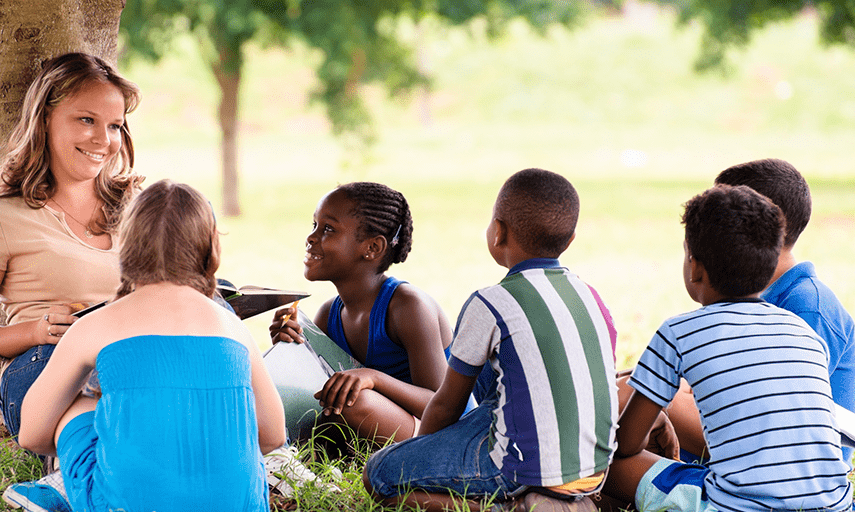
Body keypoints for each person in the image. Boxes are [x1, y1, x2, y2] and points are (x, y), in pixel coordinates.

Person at [3, 179, 286, 512]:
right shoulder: (233, 329)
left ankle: (65, 488)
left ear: (126, 249)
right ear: (211, 252)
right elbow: (272, 435)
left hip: (121, 505)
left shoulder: (96, 325)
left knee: (77, 405)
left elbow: (32, 434)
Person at [364, 168, 618, 511]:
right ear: (569, 240)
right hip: (593, 472)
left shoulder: (491, 302)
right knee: (499, 363)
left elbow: (447, 404)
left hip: (521, 468)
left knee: (380, 474)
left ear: (498, 232)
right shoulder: (592, 297)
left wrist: (421, 452)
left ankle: (512, 508)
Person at [604, 184, 852, 511]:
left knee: (606, 462)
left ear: (694, 266)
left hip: (732, 505)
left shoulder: (677, 331)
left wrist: (657, 421)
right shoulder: (803, 330)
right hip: (833, 505)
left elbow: (627, 444)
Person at [0, 52, 144, 440]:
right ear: (44, 119)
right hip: (47, 368)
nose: (103, 140)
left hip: (131, 360)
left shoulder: (140, 208)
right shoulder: (2, 220)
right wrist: (34, 331)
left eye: (115, 126)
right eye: (86, 120)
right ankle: (82, 464)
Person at [661, 158, 855, 464]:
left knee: (656, 398)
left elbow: (780, 415)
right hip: (746, 441)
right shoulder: (743, 292)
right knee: (639, 389)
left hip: (786, 459)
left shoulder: (809, 306)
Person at [269, 182, 456, 449]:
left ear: (372, 248)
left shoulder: (408, 306)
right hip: (385, 430)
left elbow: (442, 406)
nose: (311, 237)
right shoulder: (329, 314)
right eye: (314, 226)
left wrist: (374, 378)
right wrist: (289, 345)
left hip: (444, 437)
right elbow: (309, 395)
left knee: (354, 401)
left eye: (328, 229)